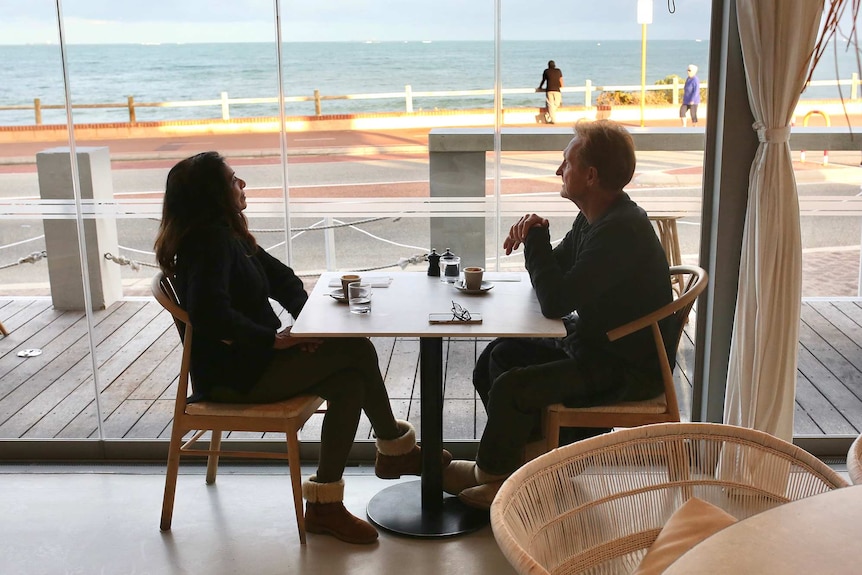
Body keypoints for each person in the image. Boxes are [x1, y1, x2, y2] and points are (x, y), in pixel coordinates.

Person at [153, 151, 450, 545]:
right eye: (232, 180)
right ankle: (393, 448)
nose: (241, 185)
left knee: (348, 379)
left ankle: (327, 504)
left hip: (251, 363)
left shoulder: (228, 236)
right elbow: (210, 314)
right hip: (235, 377)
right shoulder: (208, 243)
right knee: (357, 352)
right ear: (212, 195)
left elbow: (285, 280)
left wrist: (310, 328)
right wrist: (276, 341)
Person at [443, 120, 674, 510]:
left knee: (514, 386)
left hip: (625, 367)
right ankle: (528, 465)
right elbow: (556, 274)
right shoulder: (595, 219)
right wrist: (537, 230)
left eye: (565, 163)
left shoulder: (620, 230)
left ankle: (497, 476)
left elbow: (555, 300)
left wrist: (533, 237)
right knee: (495, 359)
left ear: (590, 175)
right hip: (595, 346)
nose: (558, 171)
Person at [537, 60, 564, 124]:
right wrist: (562, 86)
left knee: (552, 105)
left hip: (550, 90)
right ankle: (553, 120)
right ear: (554, 65)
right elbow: (561, 79)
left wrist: (540, 87)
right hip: (555, 90)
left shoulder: (547, 71)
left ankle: (548, 115)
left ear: (548, 65)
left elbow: (543, 80)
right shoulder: (557, 71)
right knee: (555, 104)